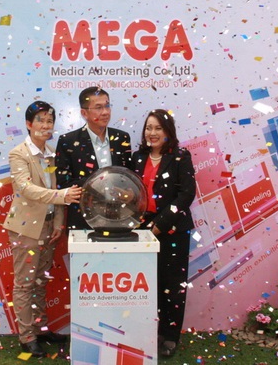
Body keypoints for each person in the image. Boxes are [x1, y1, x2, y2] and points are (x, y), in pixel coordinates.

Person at [3, 101, 82, 357]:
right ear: (29, 124)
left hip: (49, 226)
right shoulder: (19, 154)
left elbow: (55, 189)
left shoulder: (51, 154)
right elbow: (26, 188)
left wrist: (58, 221)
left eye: (49, 121)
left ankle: (40, 328)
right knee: (25, 284)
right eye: (40, 120)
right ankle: (26, 337)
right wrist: (62, 196)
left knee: (39, 281)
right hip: (25, 227)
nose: (45, 126)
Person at [131, 109, 196, 358]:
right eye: (149, 128)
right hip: (143, 229)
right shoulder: (138, 157)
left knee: (173, 285)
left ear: (168, 131)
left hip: (172, 230)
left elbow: (186, 195)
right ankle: (153, 332)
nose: (152, 133)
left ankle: (170, 336)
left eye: (158, 128)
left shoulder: (180, 156)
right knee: (150, 284)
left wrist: (160, 224)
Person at [55, 86, 132, 230]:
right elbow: (63, 183)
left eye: (107, 106)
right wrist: (100, 185)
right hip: (83, 218)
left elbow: (129, 175)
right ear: (84, 113)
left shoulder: (122, 138)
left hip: (118, 217)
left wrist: (128, 192)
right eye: (98, 107)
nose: (105, 112)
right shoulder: (68, 141)